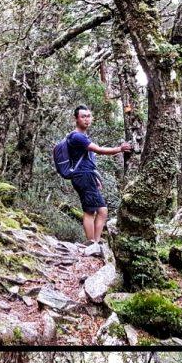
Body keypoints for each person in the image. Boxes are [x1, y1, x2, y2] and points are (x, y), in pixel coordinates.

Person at [68, 105, 131, 256]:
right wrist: (119, 149)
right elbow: (98, 150)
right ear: (76, 118)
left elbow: (88, 159)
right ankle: (91, 244)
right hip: (83, 176)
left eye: (88, 116)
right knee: (91, 211)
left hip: (87, 175)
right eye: (83, 116)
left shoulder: (82, 136)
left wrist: (95, 178)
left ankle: (94, 243)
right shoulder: (77, 136)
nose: (86, 119)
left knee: (100, 210)